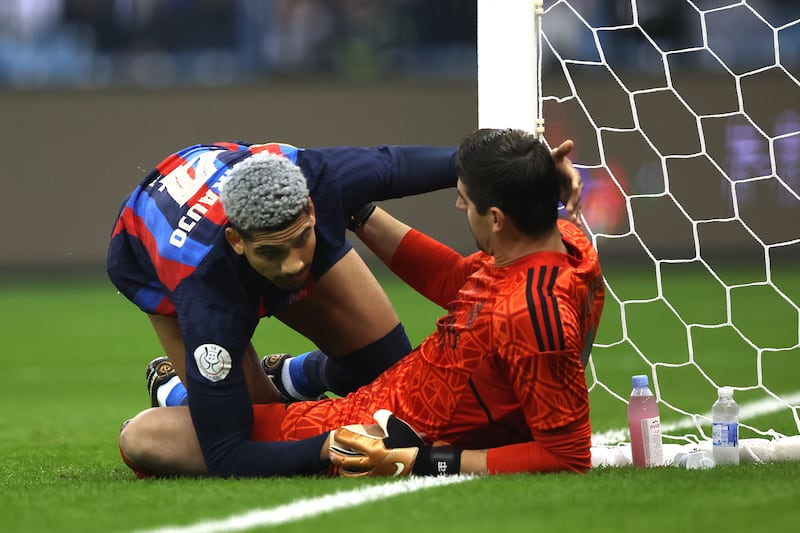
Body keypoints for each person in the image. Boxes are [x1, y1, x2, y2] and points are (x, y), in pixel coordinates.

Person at [118, 128, 602, 478]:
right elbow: (227, 453)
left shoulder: (530, 310)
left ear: (312, 208)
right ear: (239, 242)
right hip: (164, 254)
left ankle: (277, 379)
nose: (291, 268)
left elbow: (564, 453)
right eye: (271, 251)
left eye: (464, 200)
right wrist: (327, 448)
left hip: (385, 412)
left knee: (144, 438)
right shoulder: (568, 244)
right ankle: (195, 391)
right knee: (188, 426)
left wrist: (420, 460)